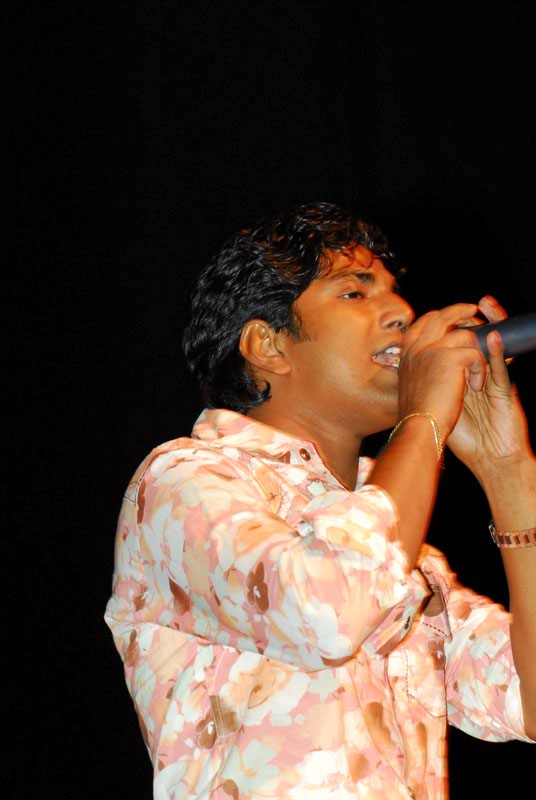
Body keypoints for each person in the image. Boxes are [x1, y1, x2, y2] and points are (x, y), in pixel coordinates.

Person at [104, 201, 535, 799]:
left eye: (394, 291)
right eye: (355, 293)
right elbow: (330, 611)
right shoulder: (181, 482)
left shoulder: (397, 542)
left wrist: (508, 472)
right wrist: (424, 420)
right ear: (268, 345)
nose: (403, 313)